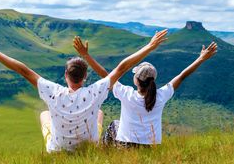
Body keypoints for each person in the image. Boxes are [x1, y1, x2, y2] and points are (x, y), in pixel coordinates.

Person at [0, 29, 167, 152]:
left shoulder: (53, 92)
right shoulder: (95, 92)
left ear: (65, 74)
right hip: (88, 148)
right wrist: (150, 46)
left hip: (59, 150)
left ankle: (55, 141)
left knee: (44, 115)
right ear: (85, 77)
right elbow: (122, 67)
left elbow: (24, 70)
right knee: (98, 113)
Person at [73, 37, 218, 147]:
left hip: (125, 147)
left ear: (136, 80)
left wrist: (86, 55)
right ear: (153, 81)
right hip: (151, 147)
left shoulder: (127, 94)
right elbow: (182, 75)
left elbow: (105, 75)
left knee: (113, 125)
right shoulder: (161, 95)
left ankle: (104, 153)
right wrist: (201, 58)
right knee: (116, 124)